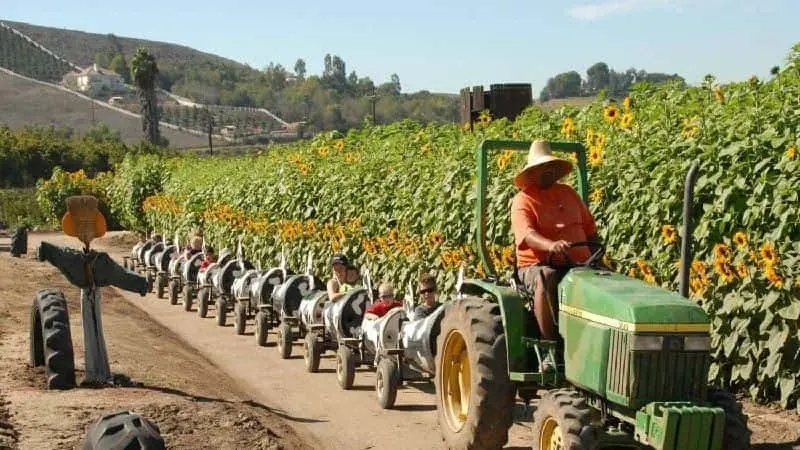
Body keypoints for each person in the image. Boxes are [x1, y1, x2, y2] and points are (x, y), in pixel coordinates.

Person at [510, 140, 599, 371]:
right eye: (542, 167)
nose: (547, 170)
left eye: (551, 166)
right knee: (546, 278)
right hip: (536, 266)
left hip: (579, 263)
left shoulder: (569, 193)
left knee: (609, 280)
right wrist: (551, 245)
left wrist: (598, 257)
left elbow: (590, 230)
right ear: (532, 172)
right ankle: (549, 349)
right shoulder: (523, 200)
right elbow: (528, 235)